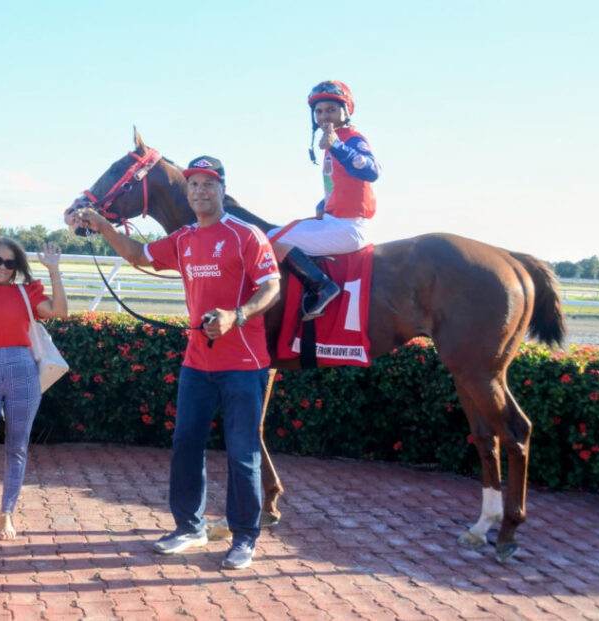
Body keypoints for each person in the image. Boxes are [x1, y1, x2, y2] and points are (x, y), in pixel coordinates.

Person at [76, 156, 280, 570]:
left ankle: (244, 537)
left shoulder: (247, 235)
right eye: (194, 185)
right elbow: (138, 254)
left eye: (209, 184)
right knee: (186, 445)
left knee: (242, 453)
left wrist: (235, 316)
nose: (201, 191)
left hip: (244, 361)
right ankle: (189, 527)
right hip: (197, 363)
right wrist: (103, 226)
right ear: (187, 193)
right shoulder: (184, 238)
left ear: (222, 190)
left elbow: (271, 286)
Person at [0, 238, 68, 542]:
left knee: (17, 447)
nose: (1, 268)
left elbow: (59, 311)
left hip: (23, 372)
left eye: (9, 263)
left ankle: (7, 512)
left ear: (16, 266)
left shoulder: (26, 291)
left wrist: (55, 271)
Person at [267, 80, 380, 321]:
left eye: (331, 109)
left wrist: (338, 146)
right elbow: (340, 186)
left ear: (345, 111)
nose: (324, 115)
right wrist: (322, 206)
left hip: (349, 228)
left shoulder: (351, 139)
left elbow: (372, 172)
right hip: (334, 221)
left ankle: (322, 287)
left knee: (269, 243)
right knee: (271, 235)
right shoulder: (335, 140)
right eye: (319, 111)